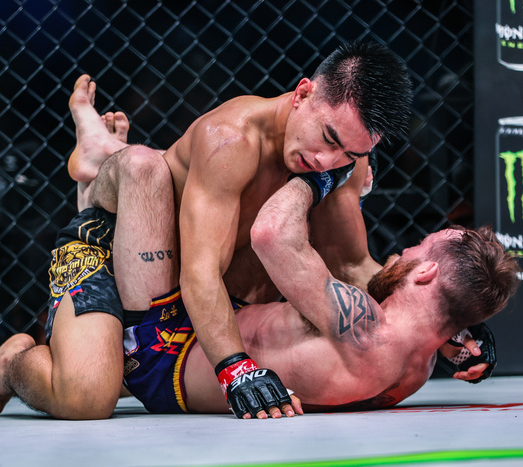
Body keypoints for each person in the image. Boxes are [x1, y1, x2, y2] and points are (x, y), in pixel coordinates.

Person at [0, 166, 520, 418]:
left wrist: (324, 175)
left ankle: (8, 362)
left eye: (417, 249)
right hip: (207, 322)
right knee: (153, 176)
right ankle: (98, 169)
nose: (402, 251)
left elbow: (272, 233)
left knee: (85, 400)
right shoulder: (418, 367)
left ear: (426, 275)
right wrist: (462, 324)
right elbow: (369, 274)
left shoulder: (363, 325)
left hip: (165, 355)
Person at [65, 40, 413, 418]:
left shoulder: (345, 162)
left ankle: (102, 153)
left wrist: (443, 321)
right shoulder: (231, 138)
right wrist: (235, 368)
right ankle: (16, 353)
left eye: (350, 153)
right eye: (329, 138)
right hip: (135, 253)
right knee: (87, 398)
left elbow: (350, 265)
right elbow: (200, 273)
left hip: (215, 291)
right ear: (302, 94)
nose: (326, 160)